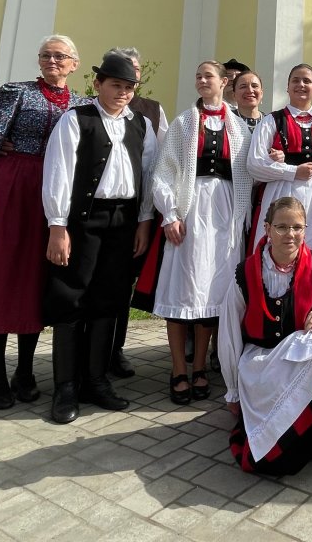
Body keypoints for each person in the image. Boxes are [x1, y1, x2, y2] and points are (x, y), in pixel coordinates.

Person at [42, 53, 157, 423]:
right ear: (99, 85)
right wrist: (58, 226)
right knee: (72, 296)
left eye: (128, 87)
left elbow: (148, 174)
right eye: (115, 85)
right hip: (83, 221)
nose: (122, 93)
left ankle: (96, 381)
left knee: (109, 299)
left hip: (124, 221)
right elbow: (59, 172)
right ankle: (65, 388)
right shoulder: (76, 119)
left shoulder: (140, 123)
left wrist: (143, 221)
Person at [219, 196, 312, 475]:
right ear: (268, 230)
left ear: (305, 229)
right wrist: (233, 391)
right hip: (262, 359)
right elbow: (228, 334)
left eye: (297, 227)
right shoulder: (245, 273)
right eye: (282, 227)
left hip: (300, 352)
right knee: (270, 457)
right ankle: (294, 440)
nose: (291, 234)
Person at [0, 35, 89, 410]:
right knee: (1, 276)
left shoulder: (82, 104)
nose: (51, 60)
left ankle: (25, 371)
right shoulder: (15, 92)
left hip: (54, 196)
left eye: (60, 56)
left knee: (36, 278)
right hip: (14, 189)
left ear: (74, 63)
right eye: (45, 54)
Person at [152, 60, 253, 404]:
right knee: (183, 290)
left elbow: (250, 172)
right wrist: (170, 214)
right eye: (197, 75)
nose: (201, 80)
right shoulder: (183, 123)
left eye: (207, 75)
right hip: (190, 208)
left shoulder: (239, 127)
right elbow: (164, 172)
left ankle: (199, 368)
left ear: (224, 82)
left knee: (214, 292)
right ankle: (178, 369)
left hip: (226, 213)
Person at [105, 46, 169, 380]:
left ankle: (115, 351)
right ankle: (87, 356)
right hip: (95, 214)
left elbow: (159, 166)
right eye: (123, 69)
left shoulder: (153, 112)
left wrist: (147, 219)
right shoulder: (90, 109)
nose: (131, 74)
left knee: (120, 286)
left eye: (135, 68)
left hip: (135, 214)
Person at [247, 64, 312, 275]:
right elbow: (254, 164)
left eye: (307, 81)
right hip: (282, 191)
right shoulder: (272, 120)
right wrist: (291, 171)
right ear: (288, 86)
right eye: (296, 80)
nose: (301, 85)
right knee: (282, 242)